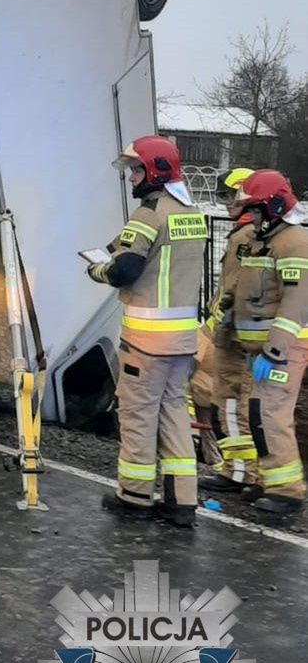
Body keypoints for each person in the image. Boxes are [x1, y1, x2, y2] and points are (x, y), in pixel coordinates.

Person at [87, 136, 206, 527]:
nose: (132, 178)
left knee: (138, 414)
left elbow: (124, 270)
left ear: (154, 170)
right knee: (173, 413)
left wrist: (98, 269)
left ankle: (135, 495)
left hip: (146, 340)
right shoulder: (193, 213)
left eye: (137, 169)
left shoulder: (148, 213)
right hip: (182, 341)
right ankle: (182, 503)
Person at [230, 169, 308, 515]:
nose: (253, 217)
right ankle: (268, 480)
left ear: (273, 206)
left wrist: (274, 351)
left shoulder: (294, 243)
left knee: (272, 415)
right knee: (259, 413)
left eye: (257, 209)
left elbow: (295, 302)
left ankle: (288, 491)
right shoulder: (267, 240)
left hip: (284, 350)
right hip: (262, 350)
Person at [198, 168, 258, 492]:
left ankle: (240, 473)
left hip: (237, 337)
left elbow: (236, 288)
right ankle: (249, 472)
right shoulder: (253, 232)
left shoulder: (244, 237)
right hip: (242, 335)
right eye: (222, 196)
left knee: (234, 402)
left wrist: (220, 320)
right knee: (240, 404)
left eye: (230, 195)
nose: (225, 203)